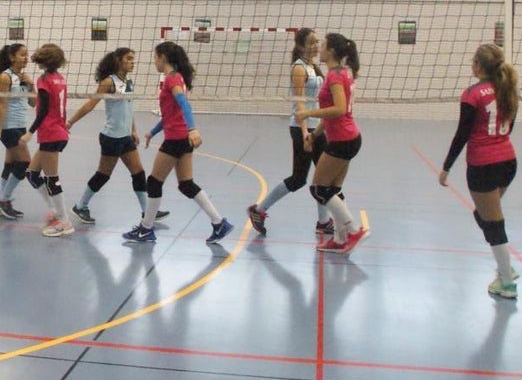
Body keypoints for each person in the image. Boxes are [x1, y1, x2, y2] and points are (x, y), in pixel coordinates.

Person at [123, 42, 232, 244]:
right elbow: (170, 114)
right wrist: (153, 132)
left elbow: (184, 104)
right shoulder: (177, 77)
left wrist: (193, 128)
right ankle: (219, 223)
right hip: (181, 138)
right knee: (186, 184)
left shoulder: (172, 78)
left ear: (163, 57)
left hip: (176, 139)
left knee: (154, 182)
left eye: (155, 57)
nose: (154, 61)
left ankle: (146, 229)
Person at [438, 44, 520, 299]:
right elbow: (510, 124)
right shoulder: (506, 87)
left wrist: (446, 167)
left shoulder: (472, 94)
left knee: (494, 222)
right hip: (508, 160)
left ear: (478, 65)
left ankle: (507, 282)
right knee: (484, 216)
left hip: (483, 165)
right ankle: (505, 264)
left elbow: (462, 133)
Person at [247, 29, 336, 237]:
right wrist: (306, 133)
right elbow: (300, 103)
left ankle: (323, 222)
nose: (316, 45)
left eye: (317, 42)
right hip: (302, 128)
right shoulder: (299, 68)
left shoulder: (314, 67)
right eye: (312, 42)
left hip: (317, 126)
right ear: (301, 46)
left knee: (321, 177)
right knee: (299, 178)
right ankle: (258, 210)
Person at [67, 47, 169, 226]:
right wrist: (70, 122)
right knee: (103, 175)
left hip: (125, 138)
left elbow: (128, 109)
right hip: (111, 138)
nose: (132, 62)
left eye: (133, 58)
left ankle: (147, 211)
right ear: (118, 61)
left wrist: (134, 130)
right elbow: (90, 104)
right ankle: (80, 206)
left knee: (138, 173)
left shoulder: (128, 81)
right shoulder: (109, 82)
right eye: (128, 58)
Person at [294, 33, 369, 255]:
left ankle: (353, 230)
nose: (320, 49)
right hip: (347, 137)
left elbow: (338, 109)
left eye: (323, 45)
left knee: (318, 189)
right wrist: (315, 135)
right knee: (333, 190)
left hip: (344, 139)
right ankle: (339, 238)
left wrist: (308, 112)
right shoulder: (340, 73)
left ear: (333, 52)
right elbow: (333, 115)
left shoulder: (336, 76)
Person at [19, 44, 74, 237]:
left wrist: (30, 132)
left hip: (50, 133)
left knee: (52, 179)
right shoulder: (60, 79)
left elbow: (42, 110)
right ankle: (55, 211)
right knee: (32, 174)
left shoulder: (44, 80)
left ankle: (64, 221)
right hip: (57, 131)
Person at [0, 43, 34, 220]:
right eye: (22, 55)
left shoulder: (23, 77)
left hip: (21, 125)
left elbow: (34, 103)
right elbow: (1, 106)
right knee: (24, 163)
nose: (26, 58)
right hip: (9, 127)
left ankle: (2, 203)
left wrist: (32, 85)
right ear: (11, 57)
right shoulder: (5, 78)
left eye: (27, 55)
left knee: (9, 165)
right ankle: (3, 199)